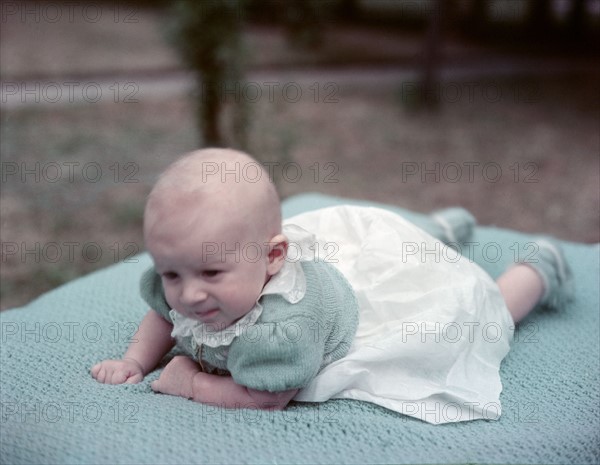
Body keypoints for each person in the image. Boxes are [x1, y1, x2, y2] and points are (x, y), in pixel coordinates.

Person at [91, 148, 573, 422]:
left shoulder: (282, 331)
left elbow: (266, 397)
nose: (188, 295)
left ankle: (534, 272)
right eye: (173, 273)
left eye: (212, 274)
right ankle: (436, 230)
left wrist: (192, 383)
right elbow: (163, 314)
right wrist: (135, 359)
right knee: (379, 241)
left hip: (359, 312)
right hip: (330, 272)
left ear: (273, 257)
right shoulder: (182, 282)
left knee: (465, 312)